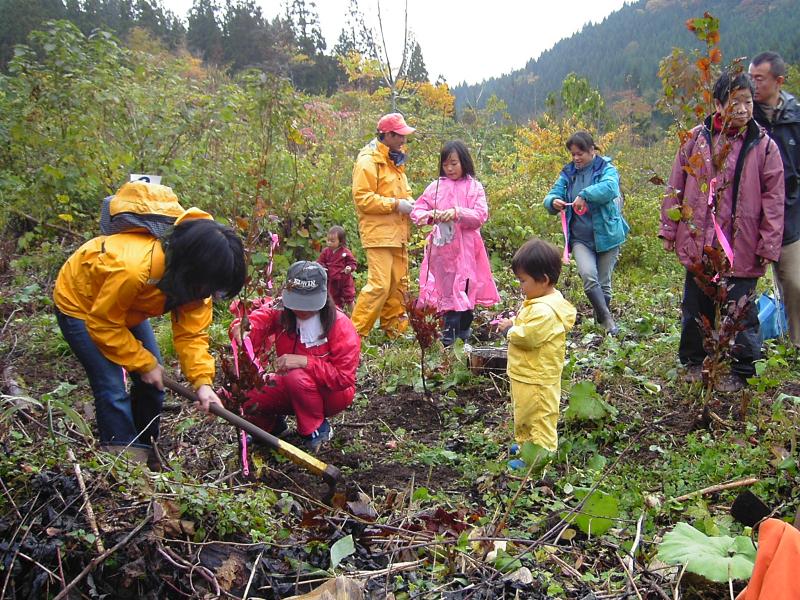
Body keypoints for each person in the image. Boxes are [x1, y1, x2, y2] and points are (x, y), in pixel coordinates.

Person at [53, 180, 246, 465]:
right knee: (111, 384)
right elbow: (103, 323)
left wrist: (203, 383)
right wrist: (141, 362)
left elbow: (192, 336)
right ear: (193, 270)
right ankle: (124, 460)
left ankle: (146, 445)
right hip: (83, 306)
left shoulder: (197, 285)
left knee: (153, 383)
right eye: (211, 287)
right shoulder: (135, 269)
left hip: (126, 309)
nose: (210, 295)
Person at [659, 71, 784, 393]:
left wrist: (768, 244)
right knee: (695, 306)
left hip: (742, 244)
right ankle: (693, 361)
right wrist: (669, 229)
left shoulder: (763, 146)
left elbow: (774, 199)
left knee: (741, 310)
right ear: (717, 104)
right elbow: (676, 187)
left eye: (748, 102)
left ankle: (742, 371)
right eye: (735, 102)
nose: (743, 109)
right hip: (700, 242)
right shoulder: (695, 140)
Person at [235, 261, 361, 453]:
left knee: (296, 376)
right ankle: (271, 428)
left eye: (308, 304)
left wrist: (305, 362)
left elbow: (344, 378)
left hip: (331, 394)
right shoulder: (281, 312)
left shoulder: (340, 326)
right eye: (297, 303)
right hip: (292, 386)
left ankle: (316, 429)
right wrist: (243, 327)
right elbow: (258, 320)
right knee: (245, 391)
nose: (301, 310)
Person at [411, 140, 500, 345]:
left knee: (467, 290)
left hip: (468, 249)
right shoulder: (436, 187)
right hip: (443, 251)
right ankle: (448, 339)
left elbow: (480, 215)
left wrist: (457, 212)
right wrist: (431, 216)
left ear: (464, 162)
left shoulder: (474, 187)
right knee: (447, 293)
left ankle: (463, 334)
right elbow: (417, 211)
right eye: (445, 164)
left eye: (454, 163)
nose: (449, 168)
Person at [497, 239, 576, 465]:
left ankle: (540, 456)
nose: (520, 286)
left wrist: (511, 330)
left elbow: (529, 337)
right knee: (524, 412)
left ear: (543, 280)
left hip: (538, 376)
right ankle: (525, 445)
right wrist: (514, 321)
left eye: (523, 281)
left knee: (540, 415)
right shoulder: (538, 300)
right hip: (525, 372)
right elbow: (527, 323)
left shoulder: (545, 310)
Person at [543, 131, 629, 335]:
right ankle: (608, 320)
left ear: (592, 150)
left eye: (580, 153)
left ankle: (603, 326)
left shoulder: (606, 169)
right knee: (589, 276)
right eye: (573, 154)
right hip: (580, 238)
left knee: (604, 282)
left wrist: (585, 195)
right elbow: (552, 194)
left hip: (608, 235)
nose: (576, 158)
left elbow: (610, 188)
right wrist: (553, 202)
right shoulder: (568, 173)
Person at [750, 52, 800, 346]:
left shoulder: (795, 118)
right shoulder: (746, 116)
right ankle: (742, 345)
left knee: (793, 281)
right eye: (751, 77)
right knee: (742, 282)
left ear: (778, 81)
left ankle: (796, 344)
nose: (753, 84)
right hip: (750, 214)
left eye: (760, 78)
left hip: (790, 212)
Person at [350, 112, 416, 339]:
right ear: (386, 135)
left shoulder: (395, 160)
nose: (403, 140)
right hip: (378, 234)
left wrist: (410, 203)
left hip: (398, 233)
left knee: (399, 284)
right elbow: (363, 199)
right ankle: (354, 335)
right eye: (399, 135)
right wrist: (397, 204)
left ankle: (395, 331)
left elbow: (401, 192)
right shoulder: (368, 160)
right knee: (379, 285)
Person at [317, 225, 357, 312]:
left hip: (344, 280)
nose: (329, 243)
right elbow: (320, 262)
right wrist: (322, 268)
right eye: (328, 240)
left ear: (341, 241)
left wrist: (349, 268)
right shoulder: (326, 252)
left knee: (349, 298)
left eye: (332, 241)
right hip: (332, 281)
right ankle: (336, 315)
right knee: (333, 299)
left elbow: (353, 263)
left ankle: (355, 318)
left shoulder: (345, 252)